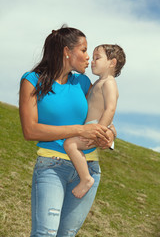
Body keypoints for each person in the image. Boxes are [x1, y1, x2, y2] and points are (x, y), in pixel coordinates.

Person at [19, 26, 116, 237]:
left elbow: (97, 117)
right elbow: (30, 130)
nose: (88, 57)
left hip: (89, 169)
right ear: (66, 51)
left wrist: (110, 134)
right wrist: (80, 129)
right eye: (83, 50)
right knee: (45, 233)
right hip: (52, 167)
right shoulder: (32, 80)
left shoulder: (82, 83)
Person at [64, 44, 126, 199]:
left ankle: (86, 179)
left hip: (96, 126)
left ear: (112, 63)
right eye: (92, 58)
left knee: (70, 144)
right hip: (91, 126)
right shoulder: (98, 83)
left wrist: (98, 132)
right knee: (71, 144)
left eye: (97, 58)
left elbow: (110, 109)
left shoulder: (109, 83)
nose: (92, 61)